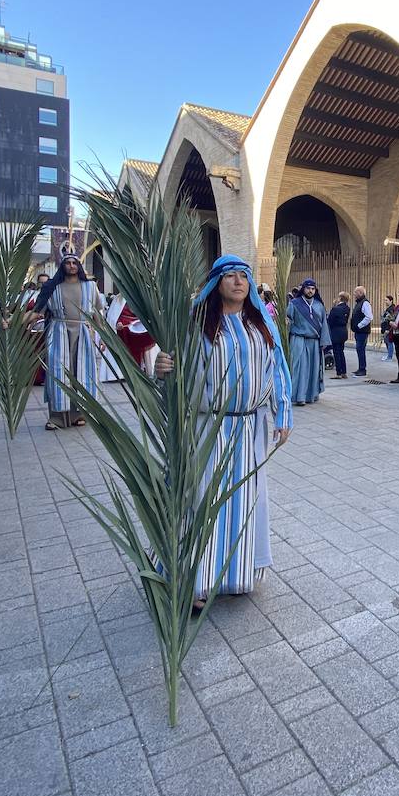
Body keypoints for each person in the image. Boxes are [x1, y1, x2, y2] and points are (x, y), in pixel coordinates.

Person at [152, 256, 292, 598]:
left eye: (243, 276)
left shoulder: (260, 325)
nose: (238, 281)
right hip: (208, 429)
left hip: (249, 429)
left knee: (244, 502)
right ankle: (194, 582)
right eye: (229, 275)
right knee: (202, 499)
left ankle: (234, 574)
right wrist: (160, 367)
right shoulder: (197, 325)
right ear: (217, 283)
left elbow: (277, 371)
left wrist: (283, 415)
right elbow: (176, 368)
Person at [33, 254, 103, 430]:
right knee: (58, 374)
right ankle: (57, 417)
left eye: (74, 263)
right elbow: (36, 313)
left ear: (78, 266)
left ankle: (79, 413)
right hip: (58, 334)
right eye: (68, 263)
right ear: (62, 266)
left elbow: (97, 314)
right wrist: (11, 322)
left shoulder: (90, 286)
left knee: (82, 373)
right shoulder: (52, 288)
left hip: (82, 334)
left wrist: (103, 337)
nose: (71, 266)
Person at [286, 279, 329, 405]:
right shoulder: (294, 303)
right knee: (299, 368)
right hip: (298, 340)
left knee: (313, 369)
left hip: (314, 342)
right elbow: (288, 319)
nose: (310, 291)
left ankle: (310, 395)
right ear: (303, 289)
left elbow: (324, 325)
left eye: (313, 289)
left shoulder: (319, 305)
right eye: (308, 288)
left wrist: (324, 342)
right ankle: (298, 396)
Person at [349, 285, 373, 376]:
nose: (354, 294)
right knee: (359, 350)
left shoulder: (365, 303)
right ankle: (360, 368)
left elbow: (369, 317)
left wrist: (359, 325)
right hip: (358, 331)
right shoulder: (359, 303)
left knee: (360, 349)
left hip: (362, 332)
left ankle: (362, 369)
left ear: (360, 293)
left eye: (355, 292)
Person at [327, 291, 351, 379]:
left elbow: (330, 320)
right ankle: (344, 372)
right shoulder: (347, 308)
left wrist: (334, 306)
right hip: (343, 331)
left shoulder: (335, 309)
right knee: (341, 351)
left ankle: (339, 373)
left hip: (336, 332)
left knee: (336, 352)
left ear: (340, 298)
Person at [380, 295, 396, 361]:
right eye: (384, 300)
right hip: (385, 329)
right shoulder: (389, 308)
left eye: (386, 300)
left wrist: (387, 329)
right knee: (386, 341)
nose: (385, 302)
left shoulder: (391, 309)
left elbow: (391, 320)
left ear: (391, 301)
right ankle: (388, 355)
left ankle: (390, 357)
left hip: (388, 329)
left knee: (389, 342)